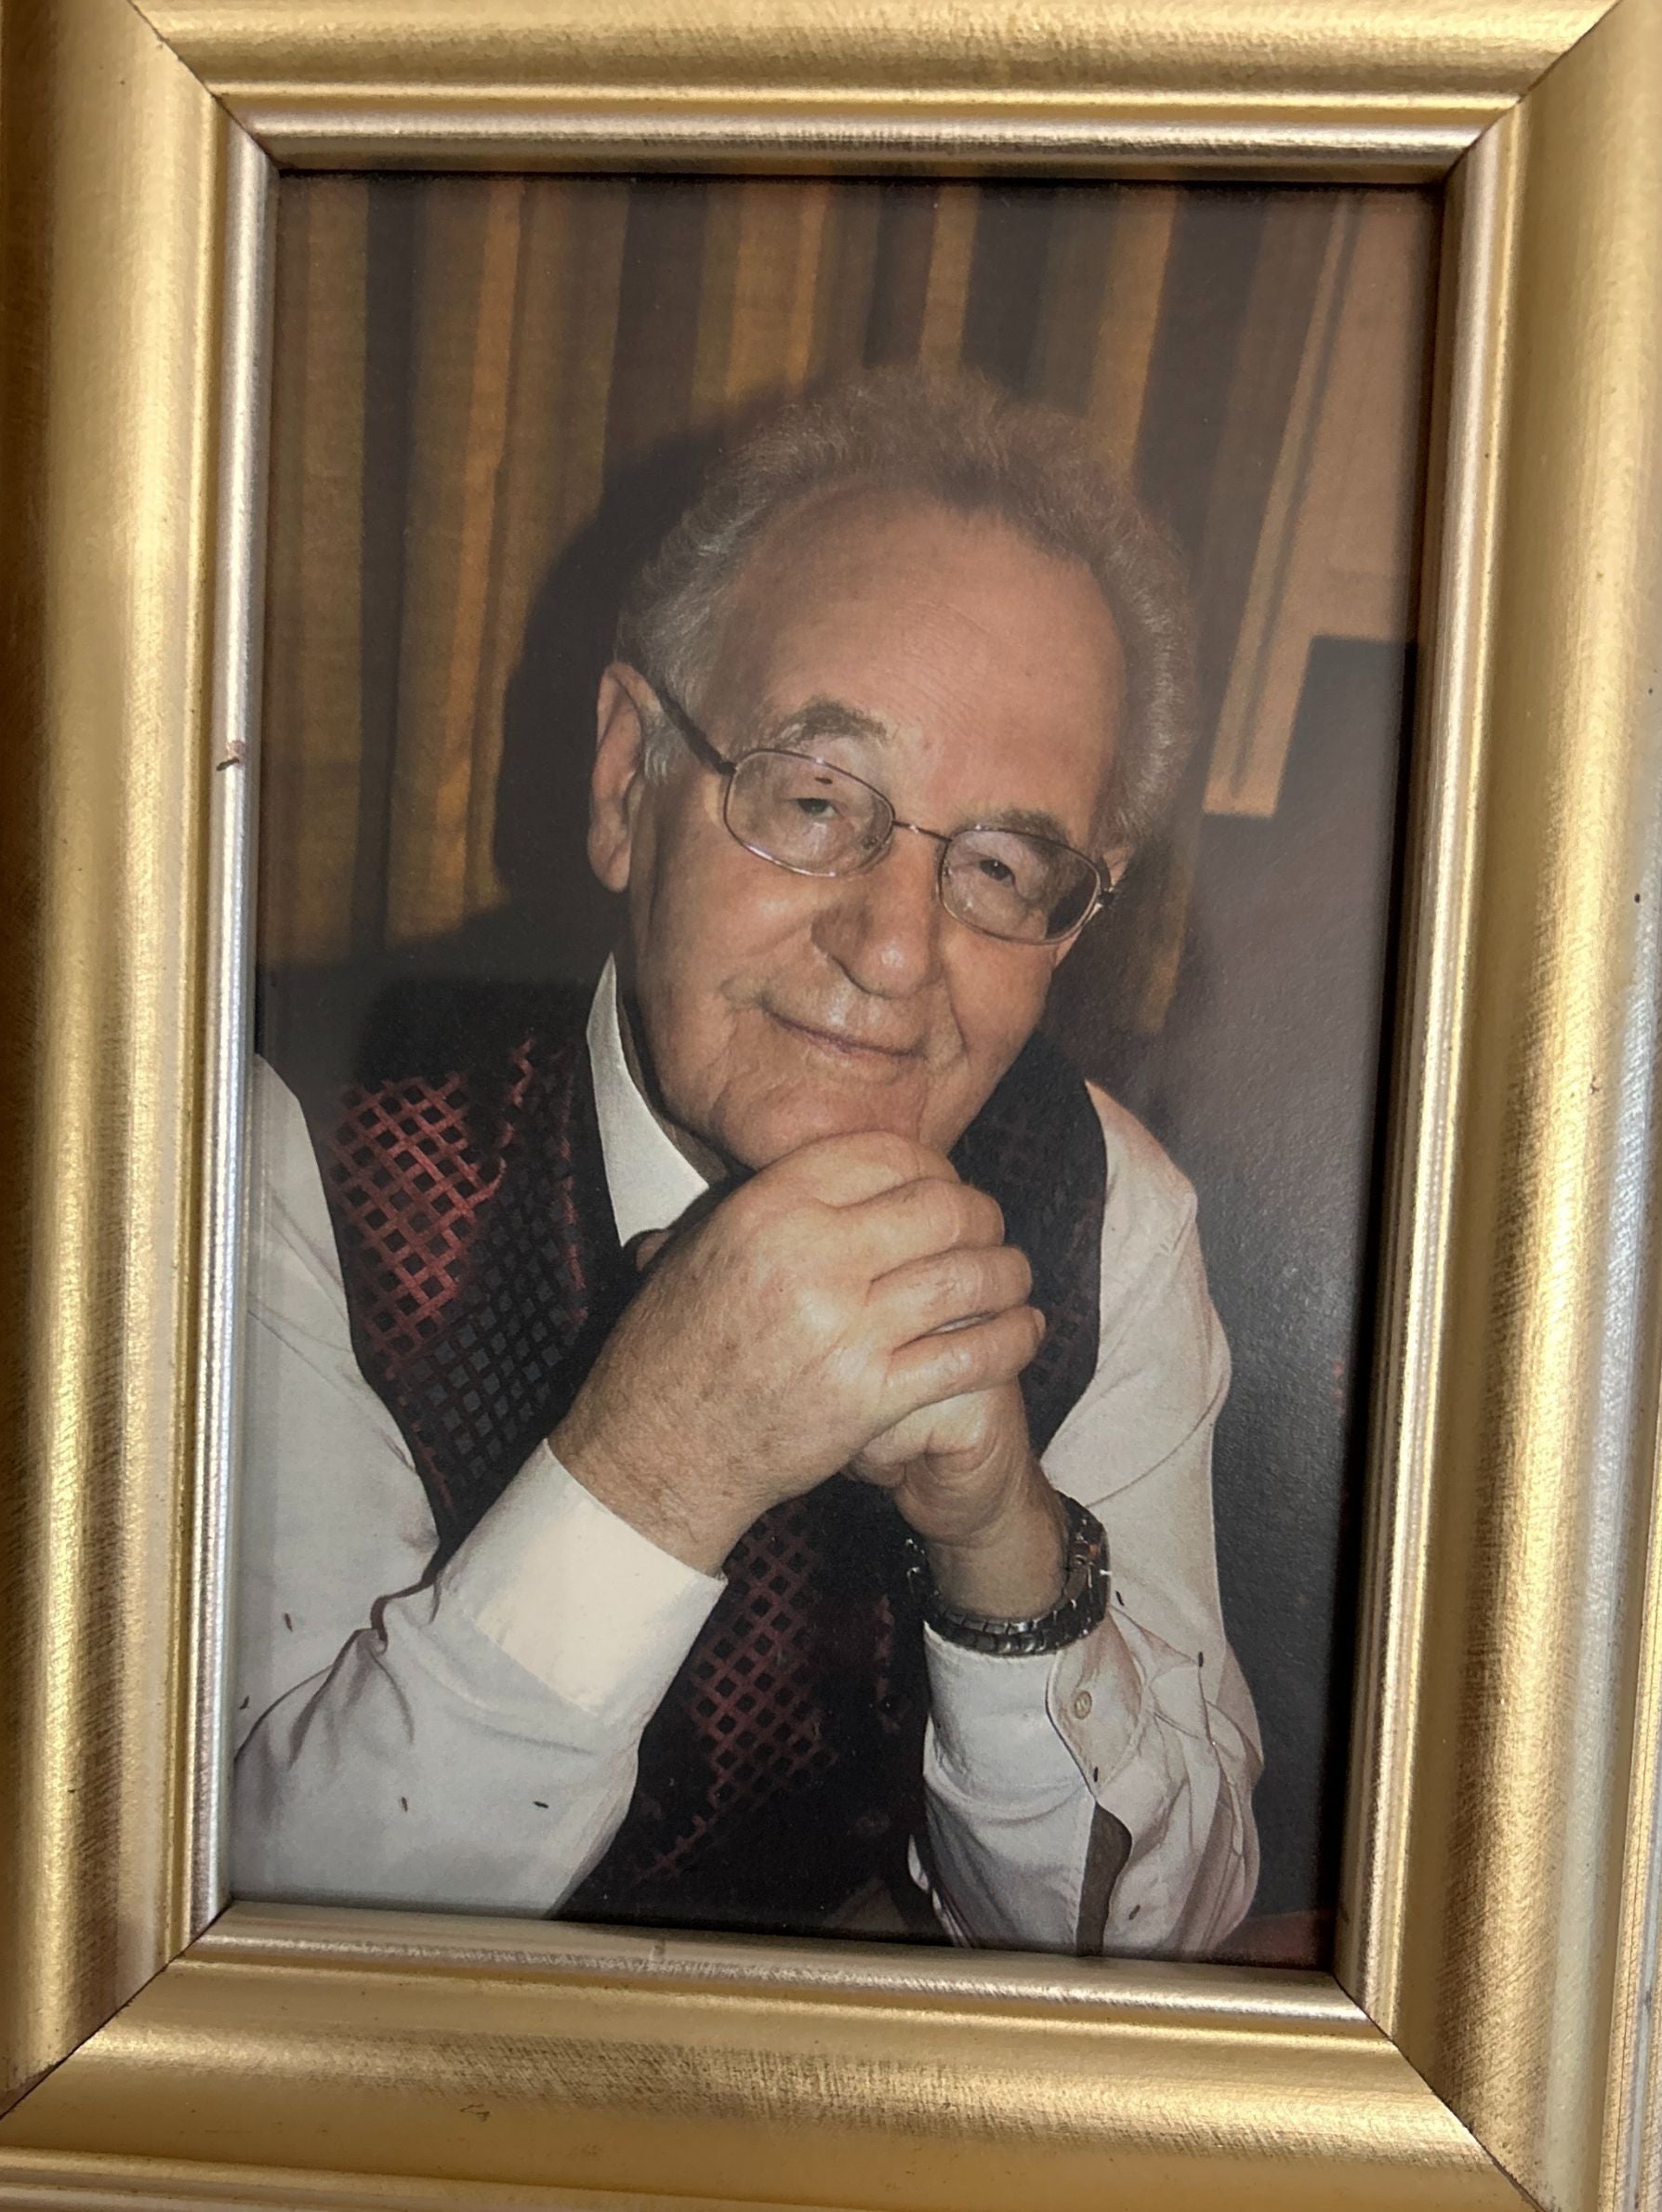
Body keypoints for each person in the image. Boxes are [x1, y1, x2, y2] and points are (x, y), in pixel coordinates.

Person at [231, 369, 1261, 1955]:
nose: (897, 947)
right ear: (626, 781)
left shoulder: (1112, 1211)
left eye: (999, 864)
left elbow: (1156, 1946)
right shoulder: (295, 1149)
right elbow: (270, 1933)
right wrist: (663, 1458)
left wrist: (1001, 1548)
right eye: (814, 797)